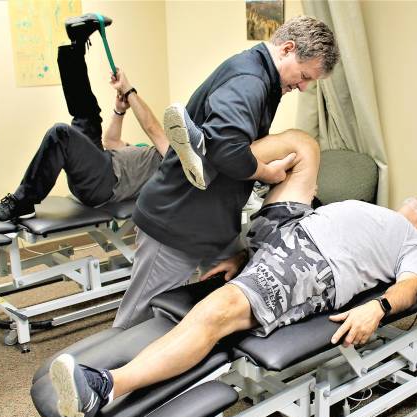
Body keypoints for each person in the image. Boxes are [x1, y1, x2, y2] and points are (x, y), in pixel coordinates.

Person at [49, 129, 417, 417]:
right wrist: (243, 254)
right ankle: (210, 157)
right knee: (303, 144)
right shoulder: (377, 213)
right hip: (288, 230)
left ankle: (103, 388)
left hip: (311, 264)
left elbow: (408, 286)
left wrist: (379, 307)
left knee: (215, 314)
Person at [110, 16, 340, 330]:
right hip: (177, 222)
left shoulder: (259, 77)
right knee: (136, 324)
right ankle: (103, 377)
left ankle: (200, 148)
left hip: (214, 225)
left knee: (231, 295)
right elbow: (228, 150)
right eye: (303, 76)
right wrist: (266, 172)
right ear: (287, 49)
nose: (302, 87)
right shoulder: (250, 80)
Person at [0, 15, 168, 223]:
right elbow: (111, 142)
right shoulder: (147, 153)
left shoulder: (176, 158)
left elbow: (152, 128)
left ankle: (22, 202)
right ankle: (77, 44)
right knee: (87, 114)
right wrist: (119, 110)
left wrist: (129, 90)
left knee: (61, 134)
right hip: (102, 166)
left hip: (104, 184)